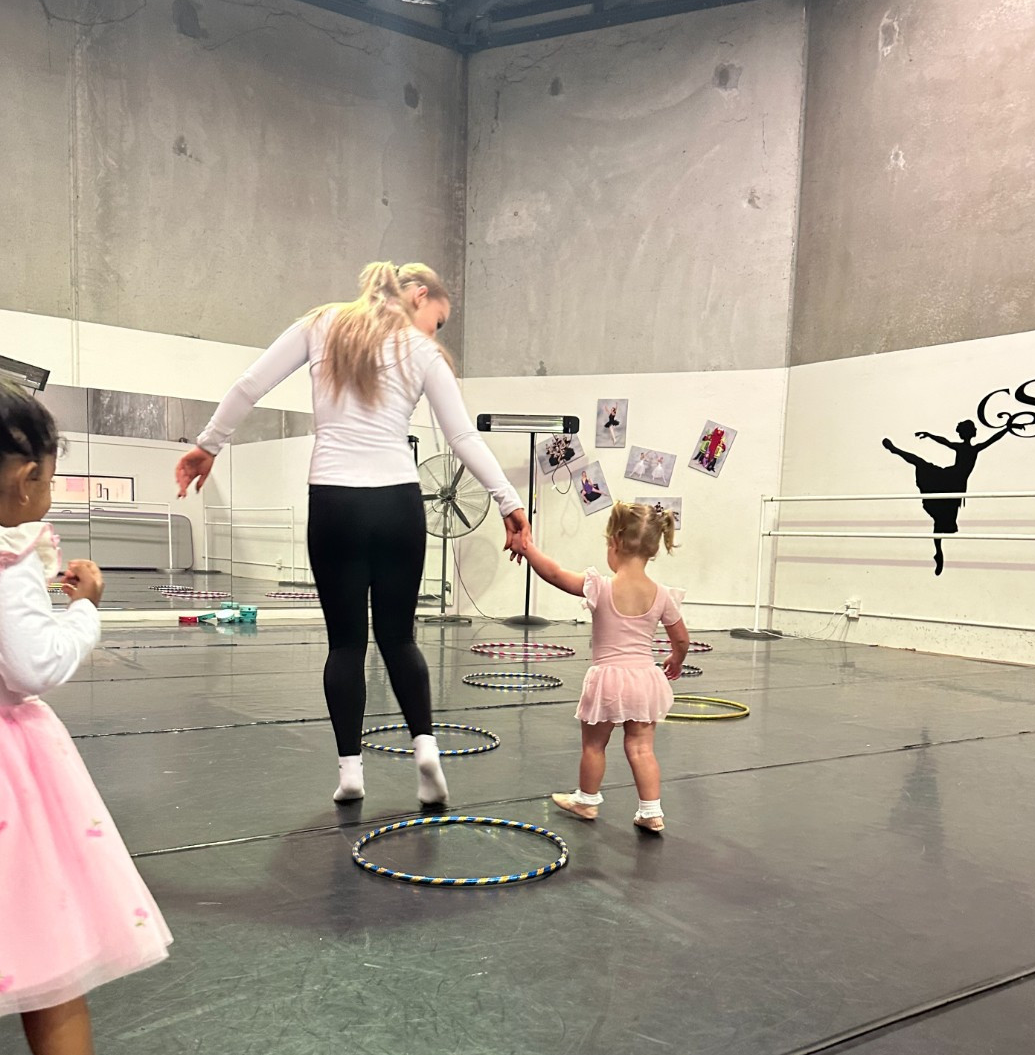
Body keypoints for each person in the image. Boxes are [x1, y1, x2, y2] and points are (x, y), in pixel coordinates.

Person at [175, 262, 530, 806]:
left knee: (345, 644)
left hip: (335, 502)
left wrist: (209, 444)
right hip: (398, 504)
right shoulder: (422, 351)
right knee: (399, 638)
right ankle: (426, 748)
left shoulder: (322, 324)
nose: (435, 330)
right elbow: (462, 436)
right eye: (438, 320)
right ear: (418, 295)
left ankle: (350, 773)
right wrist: (508, 500)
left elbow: (250, 385)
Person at [0, 370, 170, 1055]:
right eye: (50, 478)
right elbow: (30, 666)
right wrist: (85, 612)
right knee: (40, 935)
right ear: (26, 479)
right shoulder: (7, 547)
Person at [516, 501, 689, 834]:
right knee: (641, 747)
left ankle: (586, 799)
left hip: (608, 679)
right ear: (653, 549)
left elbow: (554, 574)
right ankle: (651, 812)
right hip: (644, 680)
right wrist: (675, 660)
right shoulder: (662, 595)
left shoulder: (601, 586)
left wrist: (528, 548)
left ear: (615, 543)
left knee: (594, 745)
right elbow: (681, 639)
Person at [882, 420, 1007, 575]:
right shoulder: (971, 448)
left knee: (940, 519)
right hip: (951, 481)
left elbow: (991, 439)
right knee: (921, 465)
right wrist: (1007, 428)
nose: (973, 431)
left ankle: (938, 551)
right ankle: (895, 450)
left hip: (952, 483)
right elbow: (947, 441)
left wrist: (1007, 428)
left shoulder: (969, 448)